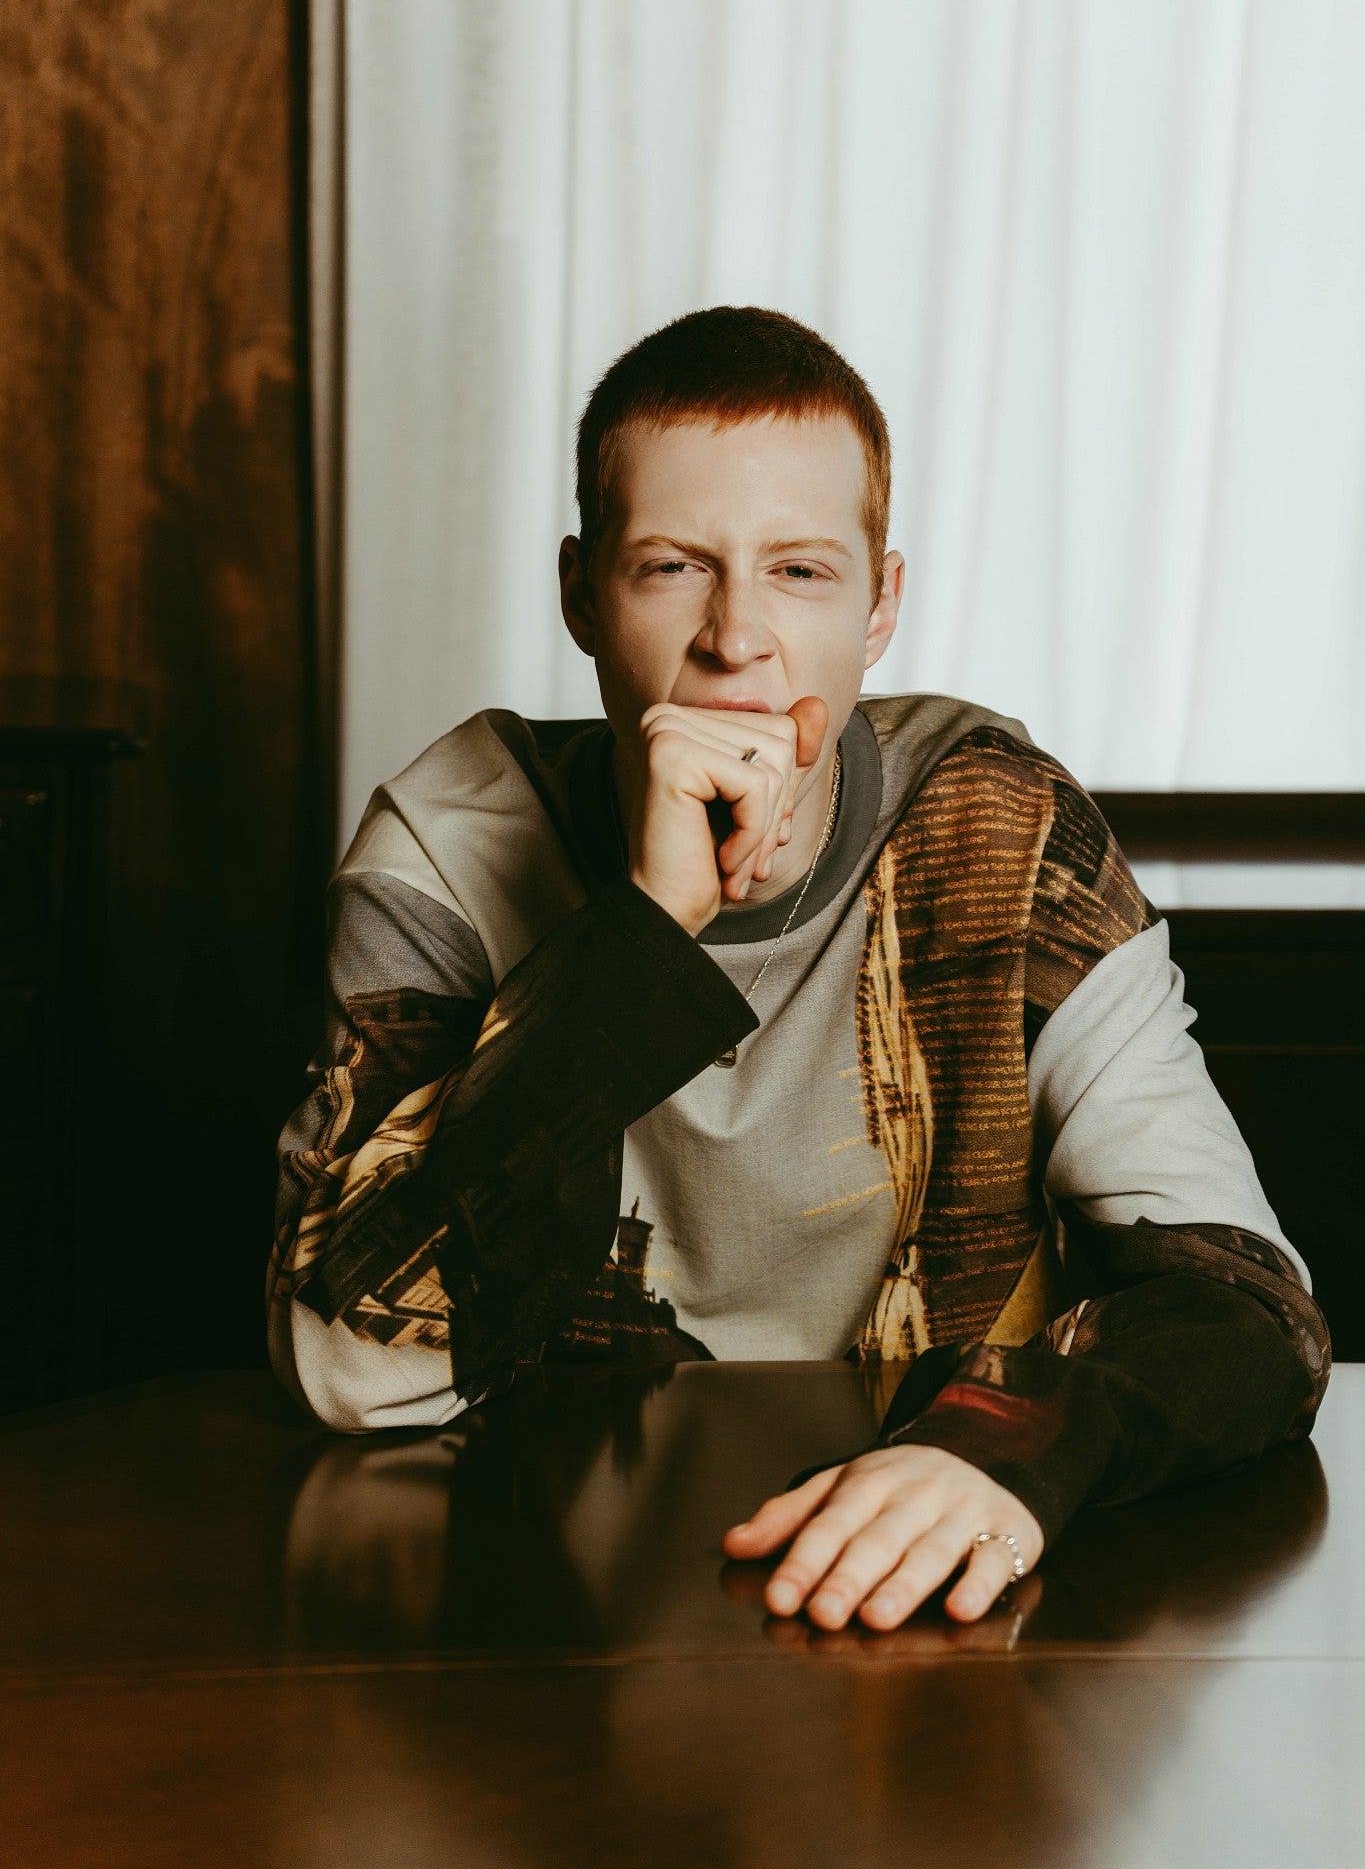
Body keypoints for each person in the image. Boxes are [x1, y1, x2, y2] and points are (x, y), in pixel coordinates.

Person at [269, 305, 1329, 1632]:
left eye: (801, 572)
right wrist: (646, 929)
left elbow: (1250, 1307)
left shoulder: (993, 828)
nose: (736, 638)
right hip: (549, 1592)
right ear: (580, 593)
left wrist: (1001, 1439)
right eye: (670, 566)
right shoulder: (447, 844)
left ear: (881, 605)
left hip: (931, 1586)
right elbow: (353, 1373)